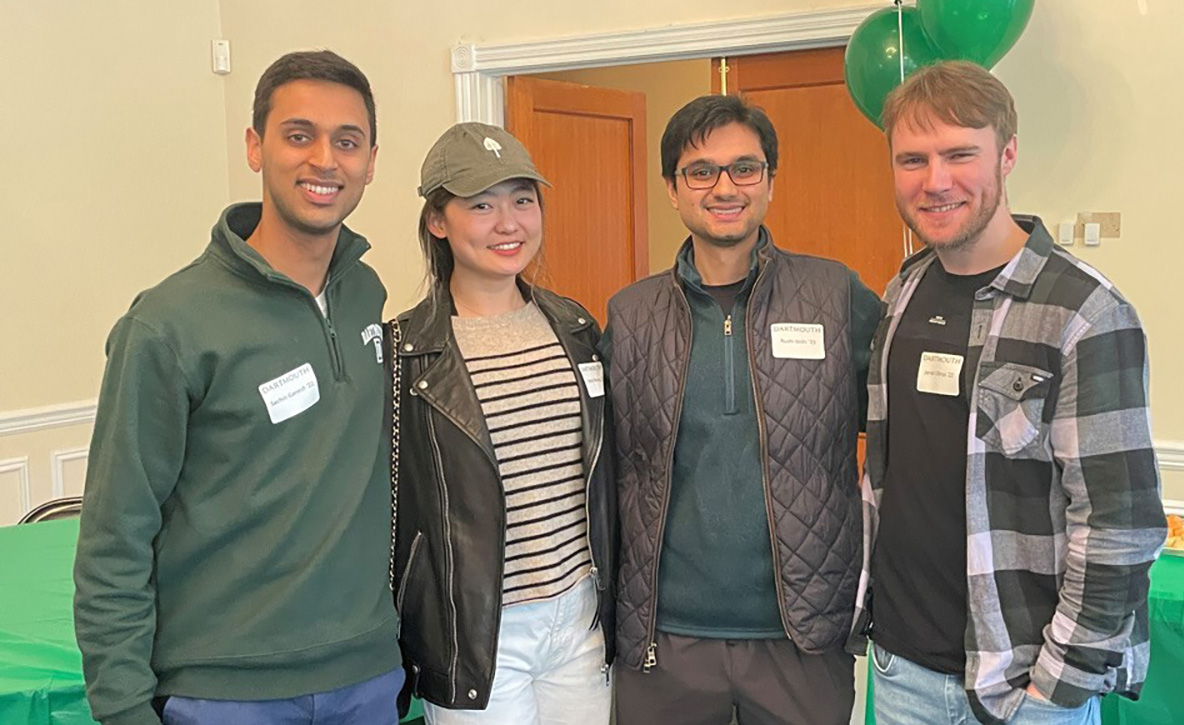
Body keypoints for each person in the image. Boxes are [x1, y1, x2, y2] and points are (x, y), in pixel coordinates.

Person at [73, 50, 402, 725]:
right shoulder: (166, 325)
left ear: (371, 160)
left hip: (366, 676)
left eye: (348, 141)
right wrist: (125, 708)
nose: (325, 160)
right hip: (223, 693)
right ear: (256, 147)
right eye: (298, 134)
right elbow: (114, 537)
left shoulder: (365, 294)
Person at [854, 60, 1165, 725]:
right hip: (900, 670)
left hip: (1020, 686)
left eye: (960, 154)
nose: (935, 181)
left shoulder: (1084, 311)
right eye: (913, 159)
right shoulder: (902, 292)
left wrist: (1058, 686)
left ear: (1009, 154)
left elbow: (1121, 522)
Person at [603, 94, 881, 724]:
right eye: (701, 171)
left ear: (770, 182)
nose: (724, 187)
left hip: (803, 636)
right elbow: (606, 470)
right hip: (663, 640)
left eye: (744, 168)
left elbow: (905, 437)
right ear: (673, 189)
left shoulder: (835, 295)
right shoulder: (632, 315)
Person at [388, 122, 615, 724]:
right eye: (481, 205)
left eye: (522, 199)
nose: (509, 223)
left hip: (580, 619)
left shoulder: (576, 329)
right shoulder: (406, 353)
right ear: (438, 221)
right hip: (479, 633)